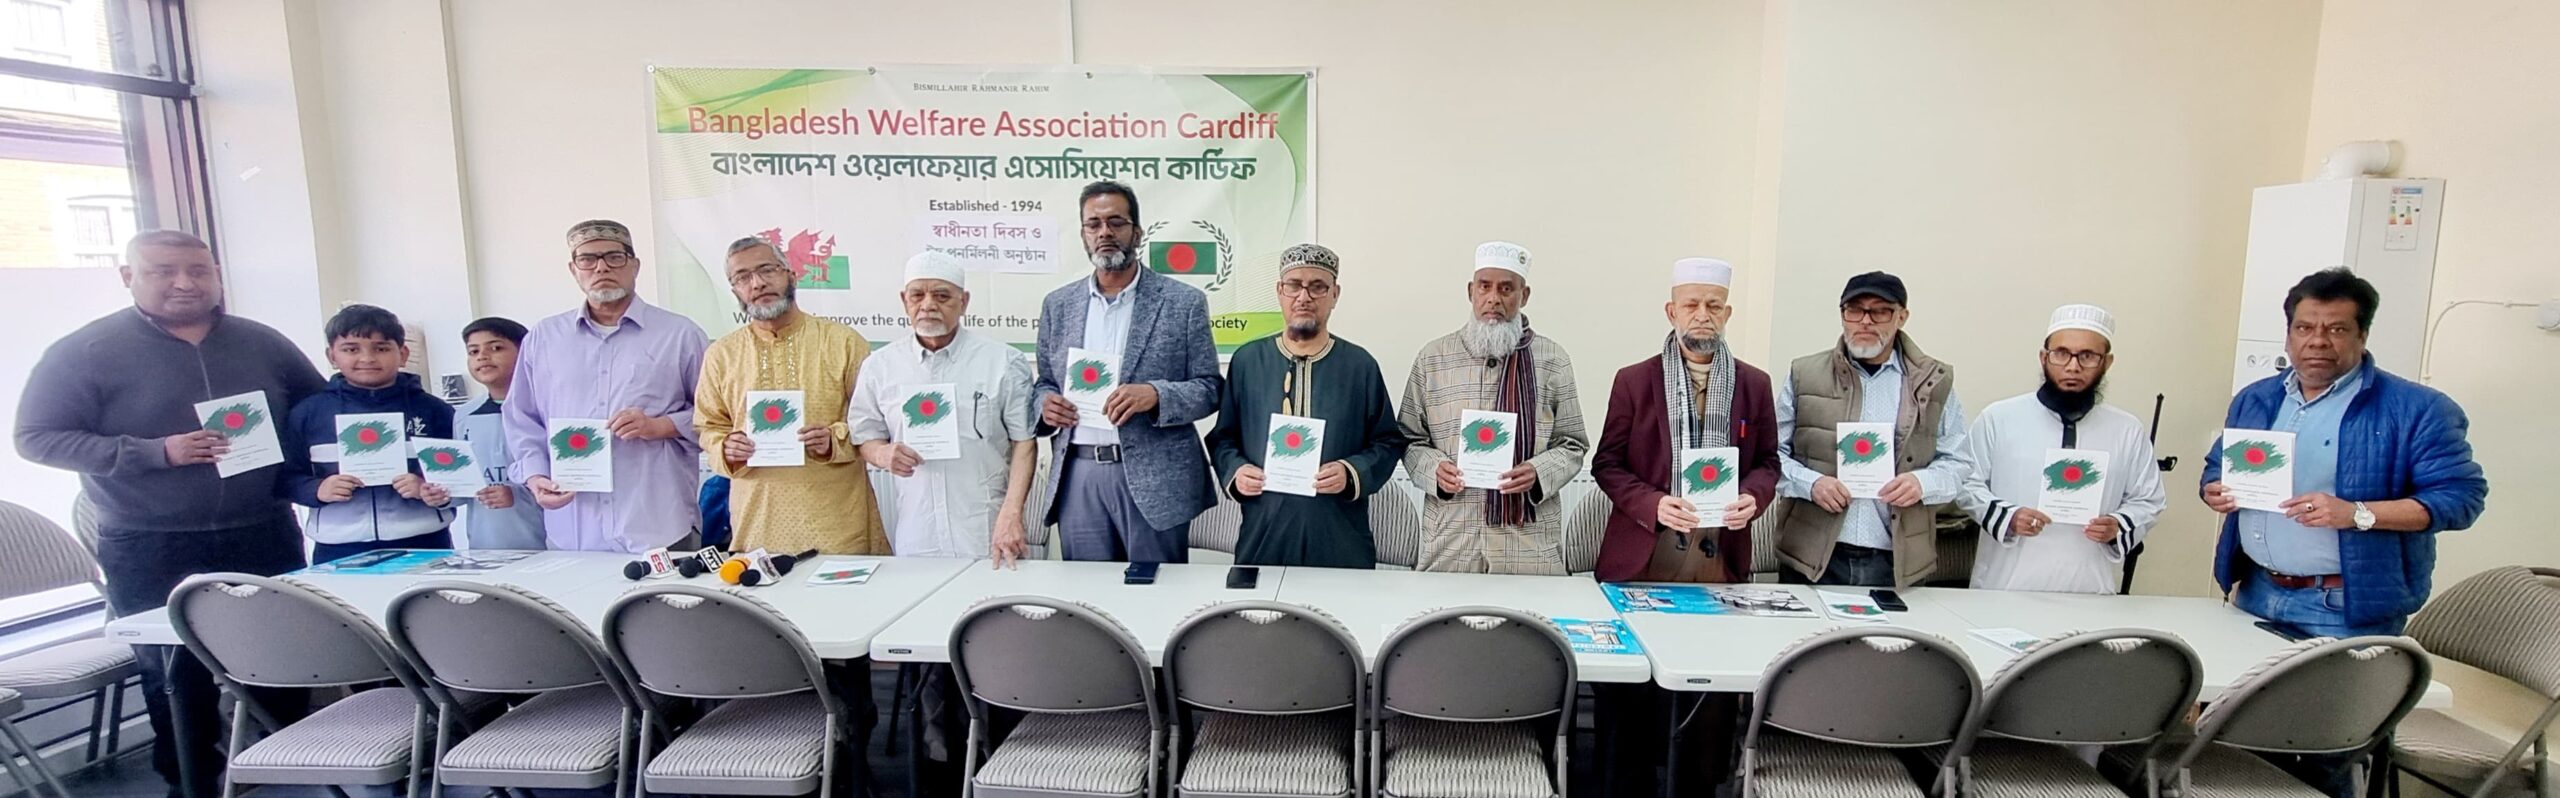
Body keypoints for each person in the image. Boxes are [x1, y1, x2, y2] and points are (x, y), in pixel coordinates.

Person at [14, 229, 323, 796]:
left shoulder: (262, 342)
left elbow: (317, 413)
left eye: (198, 270)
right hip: (149, 541)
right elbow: (37, 438)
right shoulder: (85, 350)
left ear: (217, 274)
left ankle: (290, 772)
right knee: (175, 677)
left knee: (283, 657)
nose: (185, 283)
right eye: (162, 271)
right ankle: (190, 783)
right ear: (128, 276)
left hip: (264, 530)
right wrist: (156, 452)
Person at [2203, 268, 2486, 637]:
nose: (2318, 341)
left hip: (2342, 608)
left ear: (2362, 336)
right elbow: (2217, 465)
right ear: (2288, 336)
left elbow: (2461, 499)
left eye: (2336, 330)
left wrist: (2357, 514)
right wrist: (2214, 488)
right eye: (2304, 328)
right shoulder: (2256, 398)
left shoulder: (2419, 408)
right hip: (2255, 591)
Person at [1033, 181, 1222, 563]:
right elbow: (1045, 383)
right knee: (1084, 592)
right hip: (1079, 474)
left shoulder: (1182, 302)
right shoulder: (1059, 305)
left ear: (1136, 232)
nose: (1105, 232)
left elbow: (1210, 388)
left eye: (1116, 222)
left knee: (1157, 590)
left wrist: (1157, 395)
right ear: (1084, 234)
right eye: (1094, 224)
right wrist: (1044, 405)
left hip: (1157, 480)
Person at [504, 219, 709, 553]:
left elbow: (715, 416)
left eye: (615, 257)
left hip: (658, 526)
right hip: (572, 531)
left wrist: (660, 426)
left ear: (635, 266)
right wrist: (535, 475)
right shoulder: (544, 338)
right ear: (574, 270)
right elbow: (521, 419)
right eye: (587, 259)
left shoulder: (680, 334)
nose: (601, 267)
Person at [1205, 244, 1410, 568]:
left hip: (1340, 539)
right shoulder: (1248, 361)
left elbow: (1388, 442)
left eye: (1317, 287)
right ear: (1280, 291)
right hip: (1263, 535)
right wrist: (1237, 471)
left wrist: (1351, 472)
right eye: (1294, 285)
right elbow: (1223, 438)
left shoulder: (1359, 366)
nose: (1304, 297)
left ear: (1335, 294)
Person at [1398, 241, 1590, 574]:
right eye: (1484, 287)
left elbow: (1572, 444)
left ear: (1524, 295)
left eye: (1506, 289)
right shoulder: (1434, 358)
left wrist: (1538, 472)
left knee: (1530, 609)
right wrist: (1434, 470)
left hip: (1528, 541)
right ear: (1470, 291)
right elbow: (1408, 438)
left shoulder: (1552, 359)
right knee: (1443, 609)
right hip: (1451, 537)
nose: (1493, 298)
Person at [1772, 271, 1972, 587]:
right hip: (1813, 556)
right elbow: (1771, 455)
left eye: (1880, 311)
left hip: (1897, 560)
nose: (1865, 321)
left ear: (1902, 317)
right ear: (1842, 315)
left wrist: (1922, 482)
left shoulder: (1933, 382)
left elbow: (1959, 462)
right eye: (1855, 310)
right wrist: (1812, 484)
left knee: (1895, 625)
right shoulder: (1804, 375)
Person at [1592, 258, 1781, 583]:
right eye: (1691, 305)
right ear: (1672, 312)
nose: (1703, 315)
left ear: (1727, 314)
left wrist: (1752, 496)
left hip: (1719, 553)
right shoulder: (1634, 382)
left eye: (1714, 306)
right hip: (1647, 553)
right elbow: (1607, 465)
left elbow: (1768, 462)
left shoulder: (1755, 384)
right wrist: (1653, 504)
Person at [696, 235, 887, 555]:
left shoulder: (843, 342)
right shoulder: (722, 355)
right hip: (757, 518)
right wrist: (725, 447)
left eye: (766, 270)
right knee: (761, 587)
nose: (757, 283)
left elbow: (874, 422)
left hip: (836, 521)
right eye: (743, 277)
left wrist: (834, 438)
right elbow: (708, 426)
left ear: (791, 275)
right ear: (735, 291)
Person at [1958, 304, 2166, 594]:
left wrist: (2117, 526)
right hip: (2004, 589)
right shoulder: (1999, 418)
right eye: (2062, 353)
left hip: (2091, 591)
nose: (2073, 366)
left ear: (2107, 362)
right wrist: (2009, 517)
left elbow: (2149, 500)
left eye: (2087, 356)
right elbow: (1965, 483)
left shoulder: (2127, 430)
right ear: (2044, 357)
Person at [848, 251, 1038, 564]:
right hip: (917, 530)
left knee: (995, 596)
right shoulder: (879, 367)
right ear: (904, 300)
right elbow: (865, 435)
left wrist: (1012, 514)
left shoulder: (1002, 362)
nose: (928, 305)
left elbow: (1025, 443)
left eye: (942, 296)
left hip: (987, 528)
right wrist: (882, 454)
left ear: (964, 302)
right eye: (917, 295)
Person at [280, 304, 458, 564]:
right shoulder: (308, 413)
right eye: (351, 349)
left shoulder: (434, 411)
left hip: (426, 541)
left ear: (403, 354)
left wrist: (426, 487)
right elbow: (285, 477)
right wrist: (318, 489)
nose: (367, 358)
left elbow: (460, 477)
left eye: (381, 348)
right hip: (338, 547)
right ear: (331, 356)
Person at [453, 317, 546, 550]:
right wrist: (440, 494)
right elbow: (462, 484)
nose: (482, 357)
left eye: (496, 348)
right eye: (473, 351)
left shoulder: (546, 409)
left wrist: (518, 495)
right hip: (486, 547)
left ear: (524, 352)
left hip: (548, 545)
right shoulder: (464, 415)